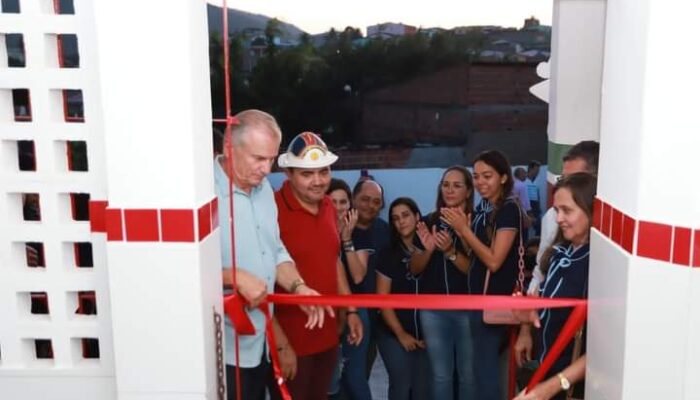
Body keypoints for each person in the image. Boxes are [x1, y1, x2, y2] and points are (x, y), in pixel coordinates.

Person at [214, 110, 331, 400]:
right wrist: (233, 277)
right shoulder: (200, 194)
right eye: (258, 159)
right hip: (223, 349)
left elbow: (275, 250)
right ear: (229, 148)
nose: (267, 169)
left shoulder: (264, 190)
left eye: (271, 159)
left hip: (261, 341)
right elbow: (175, 271)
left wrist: (298, 286)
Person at [272, 131, 363, 400]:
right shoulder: (272, 210)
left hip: (328, 337)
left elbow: (333, 260)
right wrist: (280, 345)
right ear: (288, 173)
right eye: (307, 174)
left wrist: (352, 309)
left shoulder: (327, 206)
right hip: (292, 342)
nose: (318, 181)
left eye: (323, 172)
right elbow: (261, 278)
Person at [441, 150, 523, 400]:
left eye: (487, 176)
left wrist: (463, 230)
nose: (480, 182)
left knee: (485, 375)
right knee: (481, 371)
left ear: (503, 178)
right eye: (476, 176)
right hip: (478, 301)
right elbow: (477, 255)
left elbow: (494, 261)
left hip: (493, 303)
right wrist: (452, 246)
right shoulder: (485, 208)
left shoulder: (509, 209)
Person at [513, 172, 596, 400]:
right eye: (557, 210)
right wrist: (526, 326)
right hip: (546, 370)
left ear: (591, 210)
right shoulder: (560, 253)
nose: (558, 219)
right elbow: (542, 303)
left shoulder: (596, 265)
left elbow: (601, 351)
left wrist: (550, 388)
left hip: (570, 385)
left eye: (567, 211)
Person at [410, 165, 475, 400]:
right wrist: (428, 251)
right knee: (440, 376)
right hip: (433, 311)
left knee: (468, 375)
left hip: (467, 309)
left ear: (468, 191)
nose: (450, 190)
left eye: (457, 185)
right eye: (446, 185)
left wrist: (450, 251)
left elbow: (476, 271)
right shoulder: (428, 221)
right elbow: (414, 270)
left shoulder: (475, 222)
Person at [527, 141, 599, 295]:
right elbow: (540, 272)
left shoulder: (604, 239)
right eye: (563, 179)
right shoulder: (552, 217)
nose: (560, 218)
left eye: (575, 180)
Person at [376, 197, 430, 400]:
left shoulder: (430, 248)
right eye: (395, 218)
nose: (401, 221)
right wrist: (401, 334)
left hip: (427, 333)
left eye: (406, 215)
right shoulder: (387, 253)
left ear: (417, 217)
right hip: (393, 332)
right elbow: (383, 299)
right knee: (401, 384)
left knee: (422, 389)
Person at [326, 178, 374, 400]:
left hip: (355, 310)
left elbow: (357, 275)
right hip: (325, 311)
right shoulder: (317, 229)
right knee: (331, 379)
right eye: (332, 201)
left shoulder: (360, 230)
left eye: (343, 202)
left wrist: (346, 239)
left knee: (355, 376)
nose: (338, 207)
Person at [351, 178, 390, 379]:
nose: (370, 205)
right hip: (343, 316)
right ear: (353, 198)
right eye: (365, 199)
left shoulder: (385, 231)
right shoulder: (337, 226)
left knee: (361, 376)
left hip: (374, 319)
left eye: (376, 202)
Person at [525, 161, 542, 235]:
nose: (537, 172)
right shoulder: (524, 181)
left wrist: (539, 208)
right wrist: (529, 212)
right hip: (527, 210)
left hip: (536, 210)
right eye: (536, 170)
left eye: (538, 171)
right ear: (531, 169)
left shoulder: (536, 182)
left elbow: (538, 196)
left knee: (539, 230)